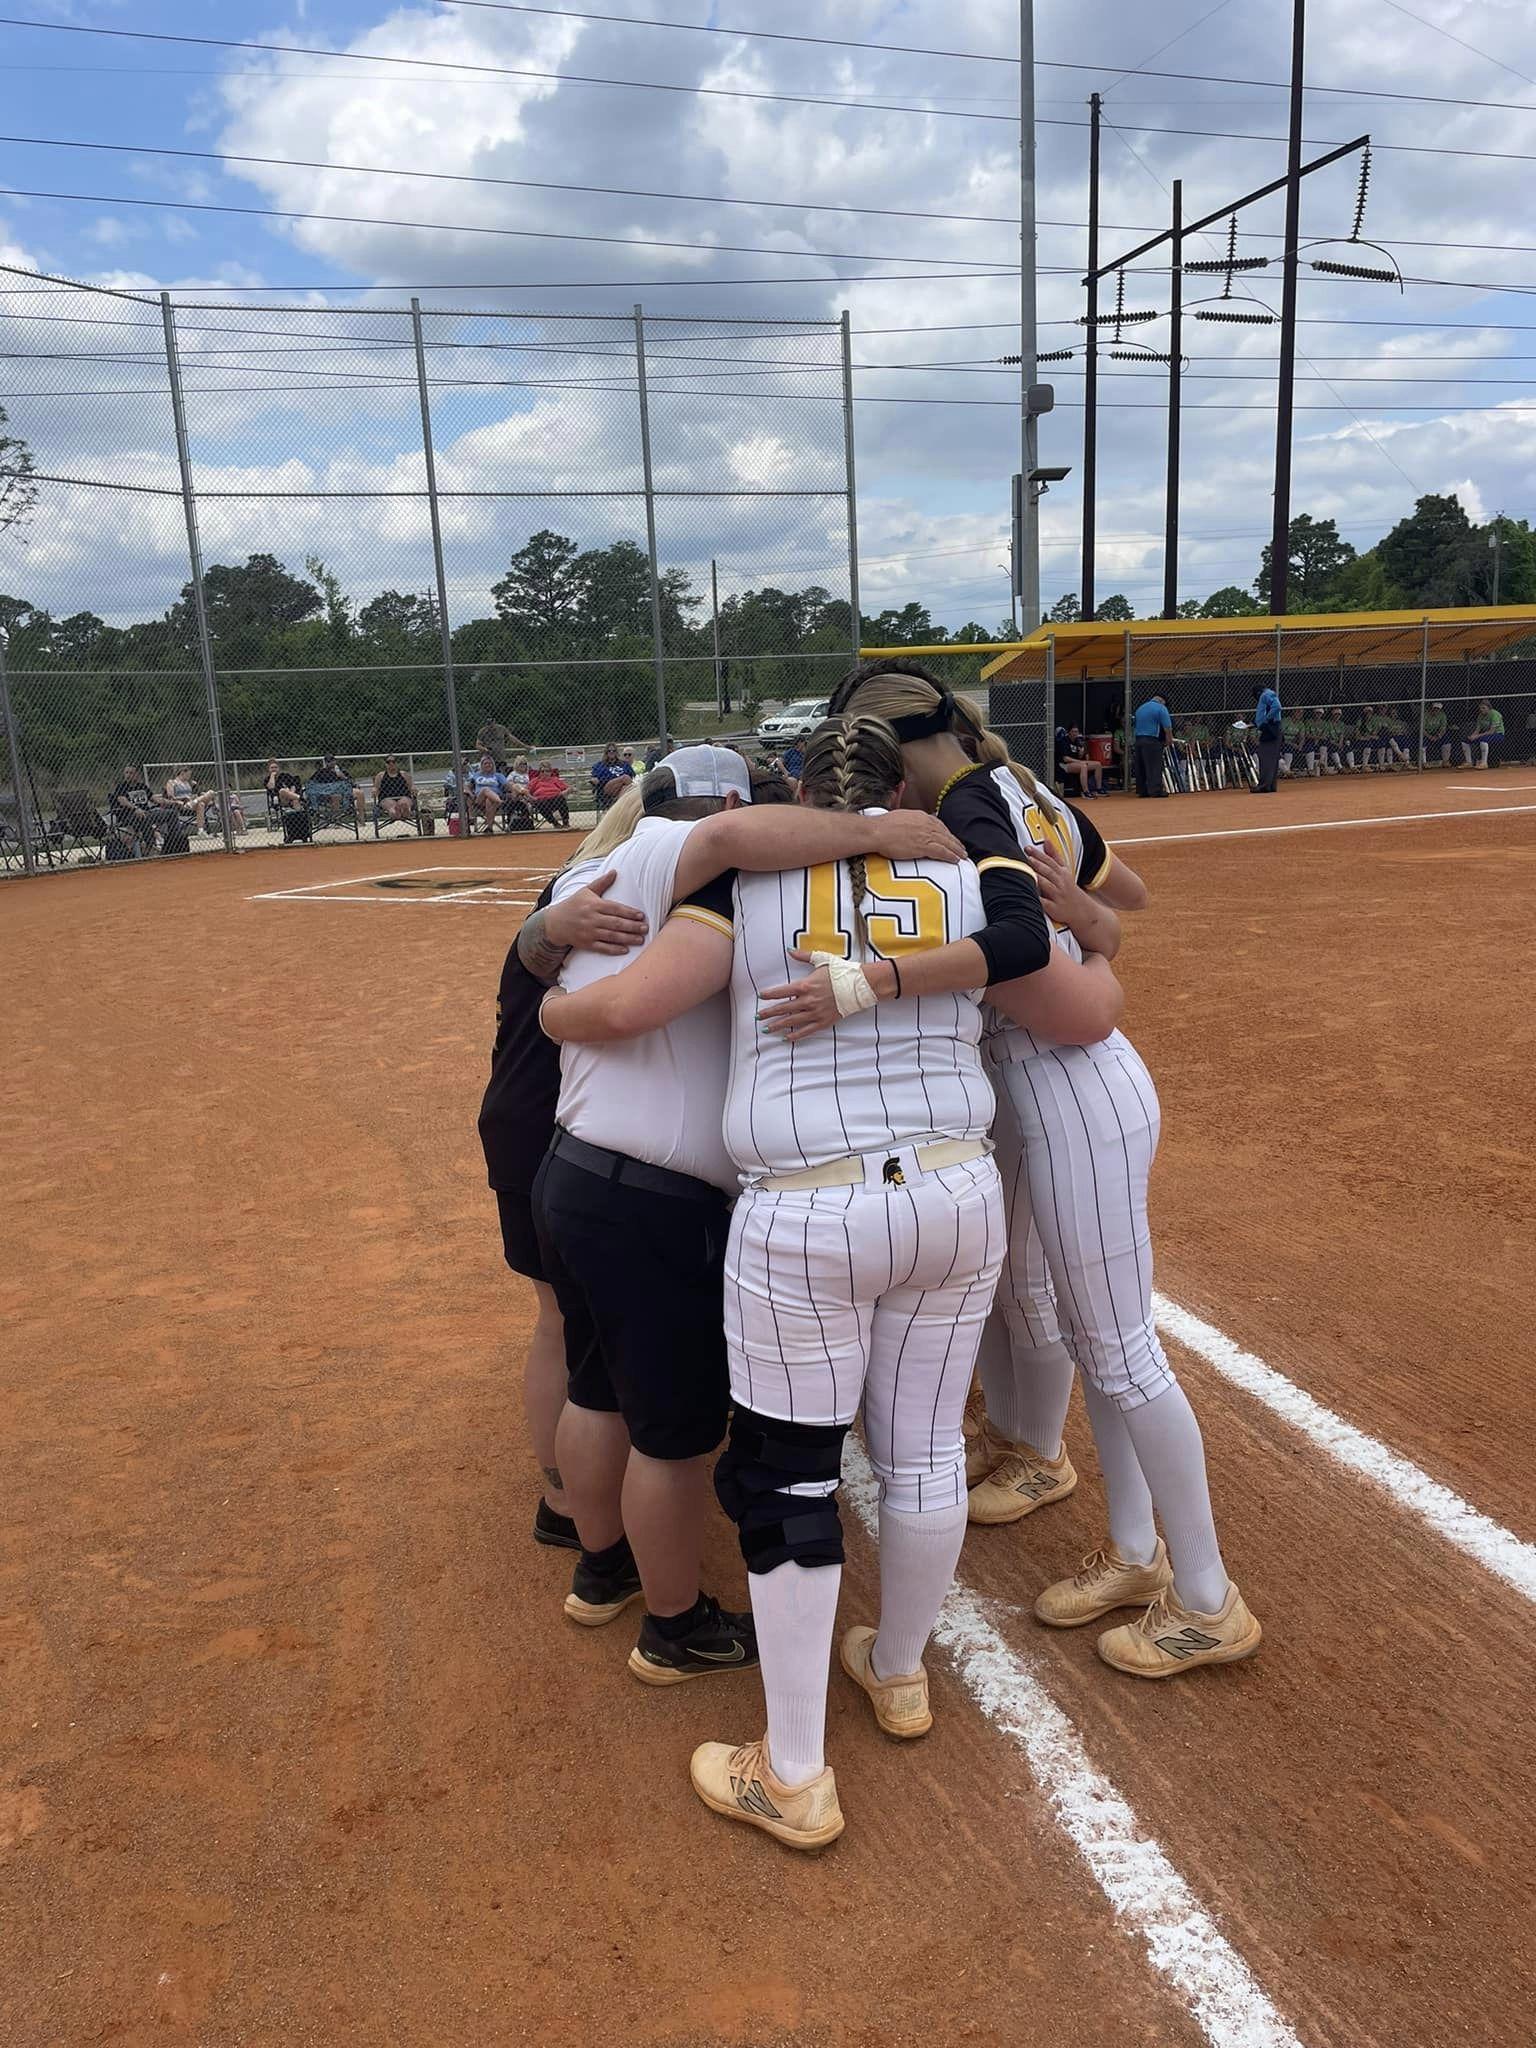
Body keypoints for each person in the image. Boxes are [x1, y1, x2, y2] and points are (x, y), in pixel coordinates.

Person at [542, 718, 1122, 1848]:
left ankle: (795, 1769)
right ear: (903, 792)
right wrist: (1100, 933)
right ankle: (898, 1670)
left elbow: (635, 1003)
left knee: (792, 1474)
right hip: (953, 1188)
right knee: (925, 1450)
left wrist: (550, 986)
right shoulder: (971, 873)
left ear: (800, 795)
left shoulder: (745, 881)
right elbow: (1081, 1004)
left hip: (806, 1202)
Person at [825, 661, 1261, 1682]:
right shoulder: (1013, 783)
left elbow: (1042, 965)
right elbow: (1124, 894)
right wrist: (1093, 925)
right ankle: (1136, 1552)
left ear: (893, 755)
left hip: (1070, 1082)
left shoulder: (966, 803)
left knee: (1121, 1350)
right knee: (1095, 1337)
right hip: (1056, 1087)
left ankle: (1207, 1600)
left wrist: (890, 977)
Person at [521, 747, 972, 1703]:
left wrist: (547, 982)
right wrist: (880, 831)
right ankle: (674, 1628)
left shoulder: (592, 870)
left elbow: (543, 945)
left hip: (577, 1172)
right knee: (674, 1439)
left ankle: (600, 1570)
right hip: (652, 1199)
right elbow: (727, 846)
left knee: (598, 1391)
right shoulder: (684, 853)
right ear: (728, 802)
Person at [109, 764, 184, 855]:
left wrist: (174, 802)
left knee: (171, 813)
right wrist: (135, 808)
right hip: (129, 816)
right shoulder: (121, 787)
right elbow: (122, 800)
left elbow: (156, 799)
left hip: (147, 813)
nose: (128, 775)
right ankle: (149, 845)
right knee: (144, 817)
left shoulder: (142, 786)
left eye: (131, 773)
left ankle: (173, 842)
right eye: (126, 773)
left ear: (137, 774)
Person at [1132, 693, 1172, 798]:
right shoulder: (1161, 708)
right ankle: (1155, 790)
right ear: (1162, 701)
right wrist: (1169, 740)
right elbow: (1167, 727)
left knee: (1141, 766)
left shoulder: (1140, 708)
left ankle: (1142, 790)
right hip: (1152, 739)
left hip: (1139, 739)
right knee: (1154, 766)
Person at [309, 755, 365, 825]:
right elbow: (312, 784)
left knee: (360, 793)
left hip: (345, 791)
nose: (331, 763)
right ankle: (336, 819)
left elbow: (350, 781)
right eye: (329, 762)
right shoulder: (321, 772)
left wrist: (342, 776)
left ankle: (361, 818)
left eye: (333, 761)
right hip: (329, 793)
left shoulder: (342, 770)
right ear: (326, 763)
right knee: (336, 796)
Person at [1055, 724, 1104, 799]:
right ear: (1069, 732)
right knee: (1083, 766)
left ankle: (1098, 790)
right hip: (1064, 765)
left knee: (1098, 764)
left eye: (1076, 732)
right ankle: (1086, 792)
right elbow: (1065, 759)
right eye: (1073, 731)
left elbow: (1080, 756)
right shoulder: (1064, 741)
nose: (1075, 733)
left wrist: (1081, 753)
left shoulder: (1077, 741)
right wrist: (1079, 761)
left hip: (1075, 763)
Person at [467, 752, 509, 834]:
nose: (488, 765)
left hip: (492, 801)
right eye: (485, 763)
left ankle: (489, 828)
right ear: (481, 765)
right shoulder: (476, 775)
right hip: (479, 800)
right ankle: (500, 802)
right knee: (485, 789)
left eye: (490, 763)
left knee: (489, 801)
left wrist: (512, 787)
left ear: (493, 765)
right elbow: (467, 786)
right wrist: (471, 794)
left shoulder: (498, 775)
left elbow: (507, 785)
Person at [1254, 680, 1283, 793]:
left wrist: (1265, 720)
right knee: (1271, 758)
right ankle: (1270, 785)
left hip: (1270, 727)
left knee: (1266, 756)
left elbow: (1277, 707)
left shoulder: (1266, 695)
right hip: (1271, 727)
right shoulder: (1268, 694)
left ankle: (1264, 785)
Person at [374, 757, 417, 827]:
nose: (391, 764)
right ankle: (395, 813)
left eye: (393, 762)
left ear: (396, 763)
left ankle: (405, 811)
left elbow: (411, 786)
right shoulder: (380, 776)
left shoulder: (404, 774)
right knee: (391, 805)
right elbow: (376, 787)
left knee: (404, 802)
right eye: (388, 762)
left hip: (403, 796)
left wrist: (413, 788)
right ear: (385, 764)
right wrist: (374, 790)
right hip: (386, 797)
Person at [527, 760, 570, 829]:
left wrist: (566, 792)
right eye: (542, 771)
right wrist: (531, 798)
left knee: (561, 798)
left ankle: (565, 822)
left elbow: (568, 788)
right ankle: (555, 823)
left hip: (555, 799)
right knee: (539, 803)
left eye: (547, 771)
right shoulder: (535, 781)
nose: (545, 773)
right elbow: (526, 791)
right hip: (541, 801)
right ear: (539, 772)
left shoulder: (555, 780)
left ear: (550, 772)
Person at [590, 744, 634, 811]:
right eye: (609, 751)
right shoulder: (600, 765)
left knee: (624, 786)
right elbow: (594, 778)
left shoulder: (623, 764)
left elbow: (632, 776)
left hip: (623, 787)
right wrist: (594, 780)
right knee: (625, 778)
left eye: (613, 751)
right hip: (607, 787)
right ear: (606, 752)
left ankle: (620, 803)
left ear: (616, 752)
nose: (611, 752)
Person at [1463, 699, 1505, 768]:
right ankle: (1469, 762)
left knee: (1483, 740)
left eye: (1483, 708)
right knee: (1465, 741)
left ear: (1489, 708)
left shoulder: (1494, 714)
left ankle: (1484, 763)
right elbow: (1477, 729)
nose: (1481, 710)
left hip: (1498, 734)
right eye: (1480, 708)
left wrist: (1477, 736)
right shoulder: (1480, 716)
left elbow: (1491, 731)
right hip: (1486, 734)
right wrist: (1472, 736)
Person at [1421, 702, 1452, 768]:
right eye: (1435, 708)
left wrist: (1438, 736)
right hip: (1427, 734)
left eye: (1438, 709)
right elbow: (1422, 729)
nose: (1436, 710)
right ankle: (1424, 762)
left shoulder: (1442, 715)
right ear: (1431, 708)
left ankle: (1445, 761)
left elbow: (1443, 729)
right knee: (1422, 740)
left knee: (1446, 738)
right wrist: (1429, 737)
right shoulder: (1425, 715)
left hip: (1436, 734)